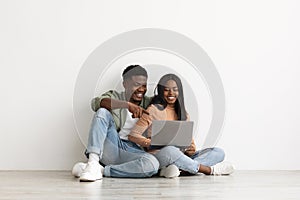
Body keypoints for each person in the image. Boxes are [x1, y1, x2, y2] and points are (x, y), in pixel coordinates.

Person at [128, 73, 234, 178]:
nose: (171, 93)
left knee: (218, 152)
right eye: (166, 89)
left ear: (179, 91)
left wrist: (191, 148)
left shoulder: (184, 114)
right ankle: (209, 170)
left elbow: (189, 141)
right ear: (161, 91)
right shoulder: (153, 110)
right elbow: (133, 135)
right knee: (171, 150)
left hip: (181, 155)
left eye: (175, 89)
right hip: (161, 155)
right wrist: (150, 142)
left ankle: (179, 169)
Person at [72, 65, 160, 181]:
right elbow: (97, 103)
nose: (141, 89)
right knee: (102, 112)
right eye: (136, 85)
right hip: (113, 145)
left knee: (152, 164)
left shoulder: (149, 103)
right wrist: (127, 105)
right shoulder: (115, 96)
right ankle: (93, 162)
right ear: (125, 84)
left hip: (133, 152)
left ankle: (101, 170)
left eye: (144, 85)